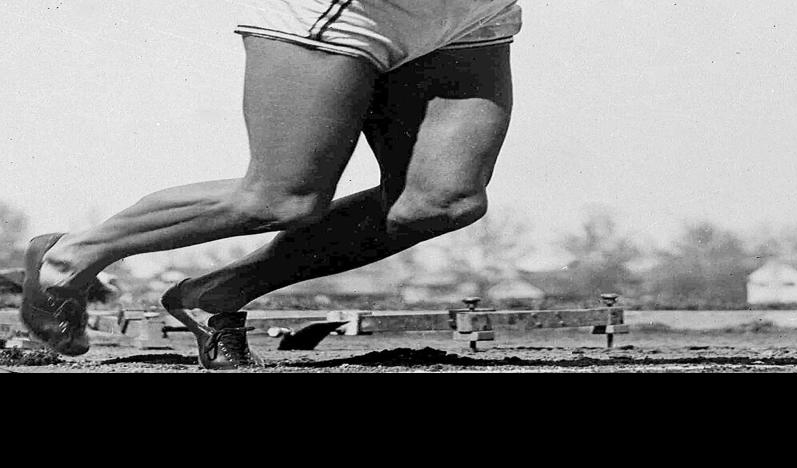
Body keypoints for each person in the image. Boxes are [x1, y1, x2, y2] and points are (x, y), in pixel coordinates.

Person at [20, 0, 523, 369]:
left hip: (470, 17)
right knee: (281, 199)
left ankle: (218, 293)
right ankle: (69, 256)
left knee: (442, 201)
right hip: (347, 10)